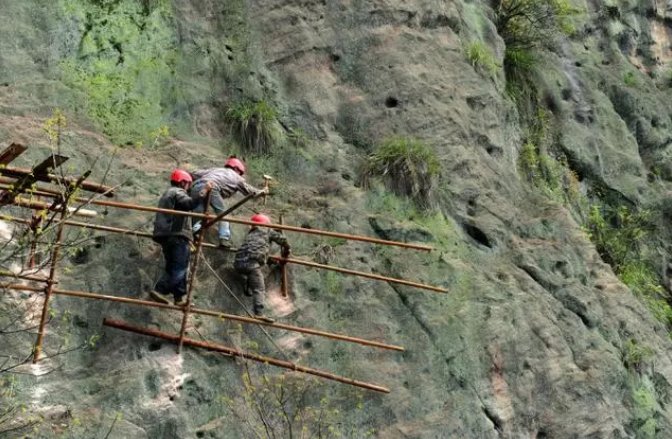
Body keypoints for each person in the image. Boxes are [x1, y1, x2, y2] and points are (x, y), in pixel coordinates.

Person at [151, 169, 211, 306]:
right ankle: (159, 290)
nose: (188, 187)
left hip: (166, 235)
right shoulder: (177, 192)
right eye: (188, 184)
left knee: (175, 266)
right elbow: (189, 204)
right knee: (180, 267)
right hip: (176, 234)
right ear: (183, 182)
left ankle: (179, 297)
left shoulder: (168, 194)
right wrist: (204, 191)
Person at [190, 156, 267, 248]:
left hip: (196, 187)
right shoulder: (237, 177)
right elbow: (251, 192)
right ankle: (224, 238)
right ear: (236, 168)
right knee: (223, 213)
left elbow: (193, 173)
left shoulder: (215, 170)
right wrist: (263, 191)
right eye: (240, 172)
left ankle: (195, 232)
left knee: (198, 211)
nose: (240, 174)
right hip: (212, 188)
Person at [234, 213, 290, 318]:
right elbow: (282, 240)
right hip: (251, 265)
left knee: (251, 273)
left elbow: (258, 251)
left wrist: (272, 261)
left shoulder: (250, 235)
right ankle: (259, 313)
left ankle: (247, 285)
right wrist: (287, 248)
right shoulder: (267, 231)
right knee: (259, 288)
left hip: (238, 263)